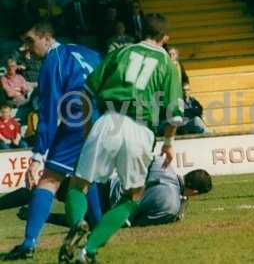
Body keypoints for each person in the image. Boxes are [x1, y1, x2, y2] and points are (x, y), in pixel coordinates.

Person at [58, 13, 184, 263]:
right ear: (165, 37)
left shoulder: (119, 52)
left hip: (109, 120)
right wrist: (169, 144)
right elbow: (175, 114)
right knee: (133, 195)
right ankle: (88, 251)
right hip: (141, 129)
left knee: (78, 184)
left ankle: (77, 224)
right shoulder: (169, 65)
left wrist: (86, 127)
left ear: (140, 30)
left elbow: (85, 91)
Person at [5, 21, 103, 260]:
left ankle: (28, 244)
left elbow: (49, 111)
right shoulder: (88, 52)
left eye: (30, 41)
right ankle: (99, 228)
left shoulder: (53, 61)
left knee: (49, 180)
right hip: (101, 120)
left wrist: (38, 155)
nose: (25, 48)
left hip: (78, 120)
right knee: (85, 177)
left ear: (47, 38)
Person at [10, 157, 212, 229]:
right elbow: (138, 224)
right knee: (87, 222)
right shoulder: (171, 206)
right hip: (110, 207)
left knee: (48, 184)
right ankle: (41, 216)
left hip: (105, 181)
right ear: (194, 191)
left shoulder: (162, 163)